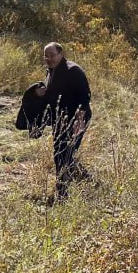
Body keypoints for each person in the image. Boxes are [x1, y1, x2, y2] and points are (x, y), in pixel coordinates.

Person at [29, 42, 92, 200]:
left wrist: (79, 121)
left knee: (65, 155)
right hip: (60, 120)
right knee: (60, 154)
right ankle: (87, 180)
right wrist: (38, 93)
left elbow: (85, 97)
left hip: (76, 119)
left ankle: (62, 194)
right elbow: (51, 96)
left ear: (61, 54)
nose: (49, 58)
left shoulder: (73, 71)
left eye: (52, 55)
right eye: (46, 56)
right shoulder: (51, 71)